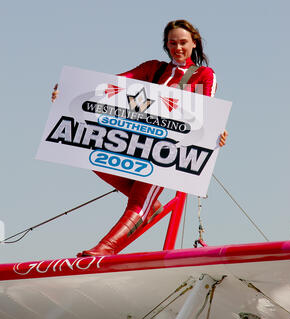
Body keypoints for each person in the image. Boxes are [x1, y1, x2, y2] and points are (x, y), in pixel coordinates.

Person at [51, 19, 228, 257]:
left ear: (194, 44)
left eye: (183, 42)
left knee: (139, 199)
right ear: (166, 44)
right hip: (135, 143)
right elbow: (111, 84)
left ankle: (106, 248)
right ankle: (149, 207)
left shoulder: (203, 75)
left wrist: (217, 132)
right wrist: (68, 91)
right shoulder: (153, 68)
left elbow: (208, 111)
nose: (177, 48)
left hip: (169, 150)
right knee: (92, 156)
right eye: (172, 42)